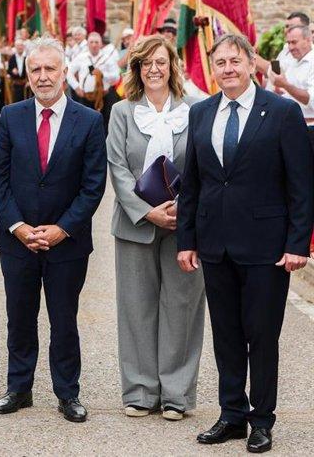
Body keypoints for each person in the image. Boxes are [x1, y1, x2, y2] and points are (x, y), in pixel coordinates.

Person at [177, 34, 313, 453]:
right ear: (212, 67)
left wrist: (298, 244)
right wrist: (187, 240)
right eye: (220, 62)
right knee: (227, 336)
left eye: (235, 60)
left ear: (252, 62)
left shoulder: (283, 113)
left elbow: (302, 187)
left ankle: (262, 420)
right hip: (215, 246)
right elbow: (193, 183)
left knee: (262, 335)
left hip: (267, 248)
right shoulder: (200, 114)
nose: (228, 68)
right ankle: (231, 414)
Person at [0, 37, 106, 423]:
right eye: (35, 69)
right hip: (17, 240)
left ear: (64, 71)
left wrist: (63, 229)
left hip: (66, 244)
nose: (42, 76)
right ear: (28, 73)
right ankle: (19, 388)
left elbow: (93, 185)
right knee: (19, 317)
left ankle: (68, 393)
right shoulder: (10, 115)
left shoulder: (88, 121)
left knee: (63, 318)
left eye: (49, 69)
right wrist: (18, 226)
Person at [106, 35, 205, 421]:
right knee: (136, 308)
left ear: (172, 66)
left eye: (160, 62)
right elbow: (117, 167)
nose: (153, 69)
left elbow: (200, 167)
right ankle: (140, 391)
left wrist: (181, 209)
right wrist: (147, 212)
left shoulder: (194, 111)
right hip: (135, 224)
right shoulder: (122, 113)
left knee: (182, 307)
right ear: (136, 69)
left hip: (183, 225)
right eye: (145, 63)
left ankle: (176, 395)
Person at [266, 25, 314, 149]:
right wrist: (280, 90)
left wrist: (285, 85)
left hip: (309, 129)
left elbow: (311, 101)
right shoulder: (292, 60)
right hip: (289, 126)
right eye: (288, 43)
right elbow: (289, 91)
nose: (291, 47)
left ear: (308, 39)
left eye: (294, 42)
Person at [67, 32, 120, 130]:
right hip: (86, 97)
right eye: (91, 42)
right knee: (85, 125)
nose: (94, 45)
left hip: (104, 96)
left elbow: (116, 76)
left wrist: (103, 75)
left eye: (96, 42)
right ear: (87, 44)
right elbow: (68, 73)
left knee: (106, 125)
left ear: (101, 44)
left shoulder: (108, 58)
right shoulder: (81, 57)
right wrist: (76, 87)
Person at [7, 39, 28, 103]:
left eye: (21, 45)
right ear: (15, 47)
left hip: (25, 86)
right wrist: (12, 72)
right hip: (15, 86)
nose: (20, 47)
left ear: (23, 47)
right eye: (18, 45)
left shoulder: (27, 58)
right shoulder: (11, 59)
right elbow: (8, 71)